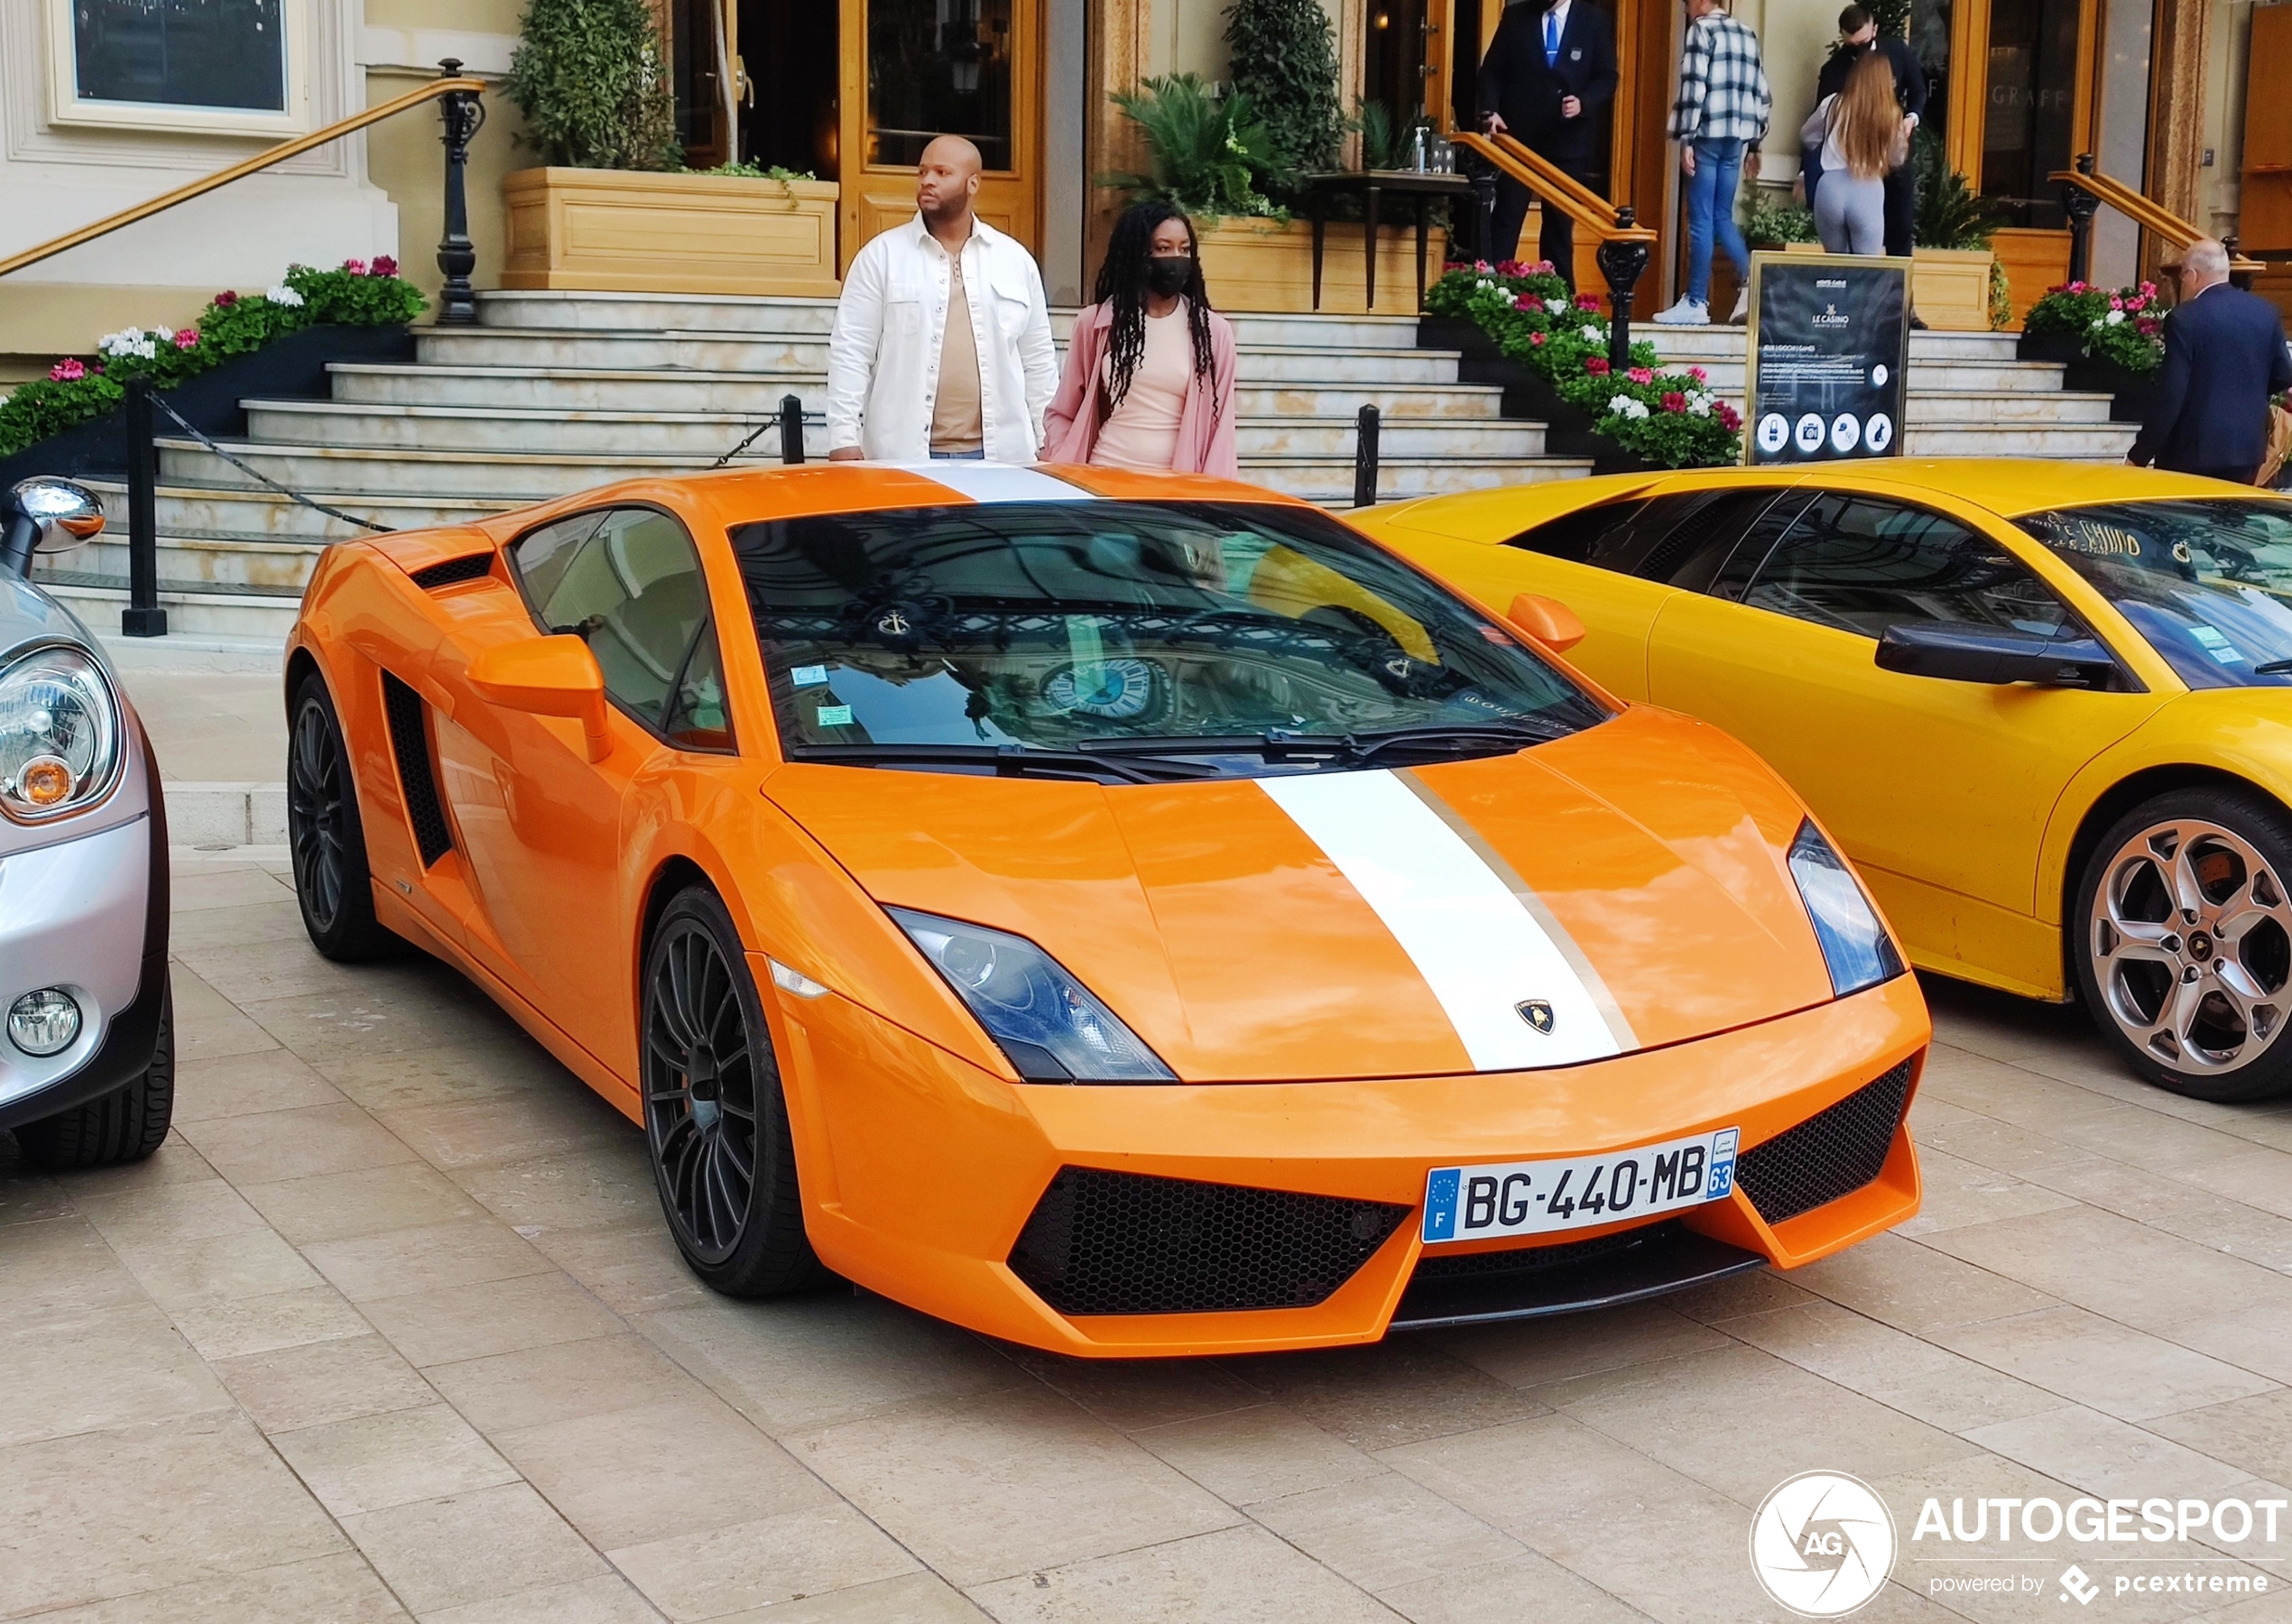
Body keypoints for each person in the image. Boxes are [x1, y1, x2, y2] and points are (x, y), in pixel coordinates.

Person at [826, 135, 1058, 463]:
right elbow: (851, 351)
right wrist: (843, 438)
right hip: (904, 456)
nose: (927, 181)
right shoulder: (882, 256)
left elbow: (1038, 360)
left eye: (942, 172)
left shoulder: (1014, 260)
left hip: (1001, 459)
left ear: (973, 183)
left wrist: (1050, 439)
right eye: (922, 172)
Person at [1043, 202, 1240, 476]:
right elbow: (1063, 412)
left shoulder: (1212, 333)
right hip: (1105, 477)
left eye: (1185, 249)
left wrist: (1214, 500)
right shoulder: (1097, 324)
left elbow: (1221, 433)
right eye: (1163, 248)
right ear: (1138, 255)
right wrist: (1063, 459)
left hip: (1177, 490)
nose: (1176, 258)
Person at [1476, 0, 1619, 286]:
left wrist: (1584, 102)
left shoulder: (1593, 19)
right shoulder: (1517, 15)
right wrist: (1490, 111)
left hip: (1569, 141)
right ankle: (1490, 290)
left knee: (1559, 225)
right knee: (1507, 216)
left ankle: (1560, 300)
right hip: (1518, 139)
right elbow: (1491, 71)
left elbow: (1607, 76)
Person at [2129, 239, 2292, 484]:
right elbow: (2284, 373)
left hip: (2191, 452)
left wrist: (2139, 455)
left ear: (2193, 275)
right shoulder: (2265, 312)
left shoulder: (2185, 318)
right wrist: (2247, 390)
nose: (2183, 282)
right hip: (2247, 449)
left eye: (2183, 275)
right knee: (2232, 521)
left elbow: (2173, 393)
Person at [1653, 0, 1770, 325]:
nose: (1686, 9)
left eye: (1688, 3)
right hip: (1737, 139)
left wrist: (1686, 138)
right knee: (1722, 216)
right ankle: (1757, 284)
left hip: (1706, 134)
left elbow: (1693, 89)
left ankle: (1696, 301)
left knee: (1701, 219)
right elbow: (1762, 94)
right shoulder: (1747, 33)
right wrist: (1756, 145)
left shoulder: (1702, 32)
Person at [1810, 6, 1926, 258]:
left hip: (1893, 155)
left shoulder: (1896, 52)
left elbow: (1918, 90)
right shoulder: (1833, 71)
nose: (1859, 50)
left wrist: (1911, 118)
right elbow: (1818, 129)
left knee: (1900, 227)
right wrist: (1806, 171)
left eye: (1863, 43)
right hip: (1853, 167)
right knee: (1856, 249)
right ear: (1843, 37)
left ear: (1874, 30)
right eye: (1852, 46)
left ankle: (1900, 295)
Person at [1800, 51, 1906, 256]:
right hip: (1867, 188)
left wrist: (1827, 147)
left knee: (1837, 269)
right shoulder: (1891, 114)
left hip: (1829, 187)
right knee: (1865, 270)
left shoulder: (1832, 103)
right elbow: (1897, 158)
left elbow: (1806, 135)